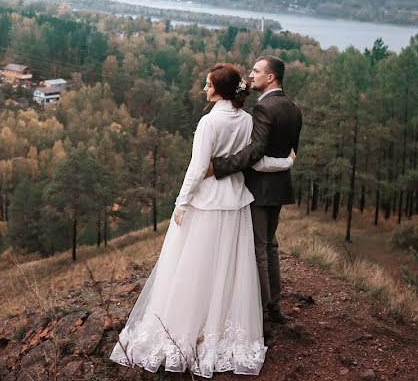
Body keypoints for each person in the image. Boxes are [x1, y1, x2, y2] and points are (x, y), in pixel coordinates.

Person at [110, 63, 294, 377]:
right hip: (235, 204)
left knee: (194, 266)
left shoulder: (208, 122)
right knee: (227, 269)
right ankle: (218, 326)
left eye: (207, 84)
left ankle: (185, 328)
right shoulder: (247, 120)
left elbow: (196, 170)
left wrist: (181, 203)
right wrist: (285, 162)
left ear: (219, 90)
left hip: (207, 203)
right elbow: (257, 162)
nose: (203, 89)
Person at [210, 56, 302, 334]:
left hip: (259, 189)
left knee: (259, 249)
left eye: (256, 71)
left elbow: (256, 152)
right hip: (279, 187)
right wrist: (285, 165)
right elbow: (289, 152)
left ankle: (260, 311)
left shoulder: (264, 109)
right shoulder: (293, 108)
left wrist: (219, 167)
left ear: (271, 77)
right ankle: (273, 305)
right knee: (270, 246)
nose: (251, 75)